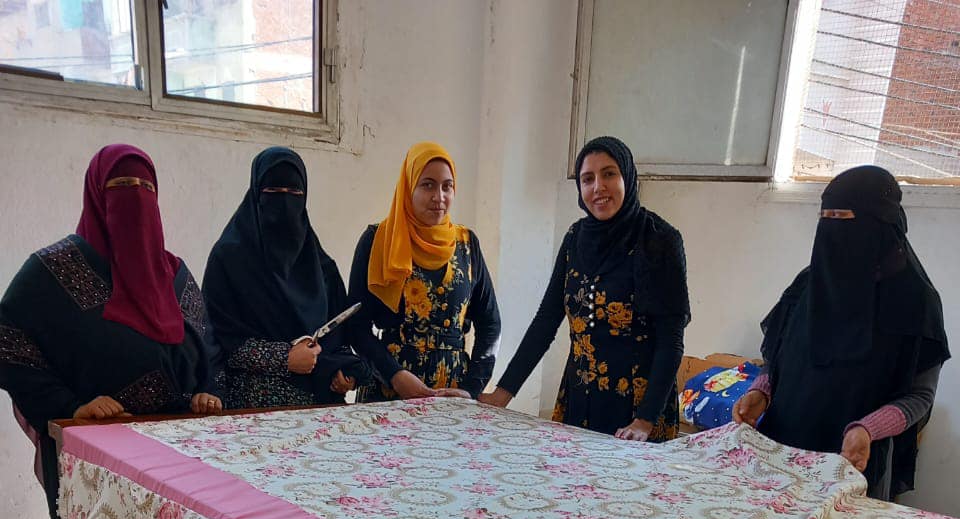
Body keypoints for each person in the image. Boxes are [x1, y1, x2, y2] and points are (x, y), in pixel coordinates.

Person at [0, 143, 222, 519]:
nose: (134, 203)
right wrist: (71, 407)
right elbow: (7, 340)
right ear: (96, 197)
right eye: (120, 191)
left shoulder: (175, 273)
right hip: (95, 462)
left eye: (144, 190)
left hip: (177, 464)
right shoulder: (54, 270)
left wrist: (204, 391)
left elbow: (208, 347)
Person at [733, 165, 949, 500]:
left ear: (879, 224)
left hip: (850, 465)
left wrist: (867, 429)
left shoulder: (915, 302)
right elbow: (777, 357)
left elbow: (919, 396)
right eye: (825, 217)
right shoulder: (809, 284)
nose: (831, 229)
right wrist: (761, 391)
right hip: (778, 456)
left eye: (843, 218)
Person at [480, 135, 689, 441]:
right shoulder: (575, 239)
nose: (598, 187)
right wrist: (503, 393)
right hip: (579, 402)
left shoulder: (660, 240)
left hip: (638, 409)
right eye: (587, 179)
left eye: (609, 174)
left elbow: (671, 340)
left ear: (628, 177)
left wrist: (644, 421)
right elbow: (546, 321)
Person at [203, 147, 365, 411]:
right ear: (256, 195)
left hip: (322, 410)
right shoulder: (229, 259)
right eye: (273, 192)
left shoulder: (322, 266)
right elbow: (217, 338)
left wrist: (345, 372)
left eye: (294, 193)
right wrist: (284, 358)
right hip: (253, 412)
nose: (284, 204)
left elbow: (338, 335)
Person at [348, 141, 500, 400]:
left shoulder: (466, 244)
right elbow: (356, 324)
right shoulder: (379, 240)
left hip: (451, 396)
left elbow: (490, 324)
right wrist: (394, 375)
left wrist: (471, 388)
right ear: (408, 188)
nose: (439, 197)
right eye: (427, 185)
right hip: (389, 391)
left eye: (447, 186)